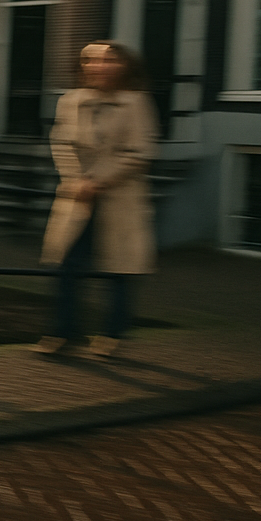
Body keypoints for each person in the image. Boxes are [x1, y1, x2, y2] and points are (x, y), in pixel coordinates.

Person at [35, 40, 158, 358]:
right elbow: (60, 142)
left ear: (124, 66)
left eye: (108, 60)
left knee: (119, 270)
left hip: (120, 198)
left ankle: (113, 336)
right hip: (78, 198)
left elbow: (140, 152)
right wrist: (75, 179)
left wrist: (99, 180)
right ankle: (63, 332)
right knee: (67, 265)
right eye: (90, 60)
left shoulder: (137, 103)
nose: (98, 66)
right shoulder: (70, 101)